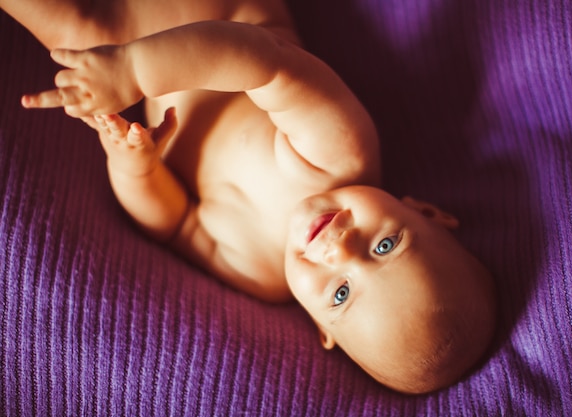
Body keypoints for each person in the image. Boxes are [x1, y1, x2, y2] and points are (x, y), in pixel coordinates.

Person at [1, 0, 496, 394]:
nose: (338, 250)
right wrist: (133, 70)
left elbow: (175, 225)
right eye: (384, 246)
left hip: (122, 45)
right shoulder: (342, 154)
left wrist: (135, 166)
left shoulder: (261, 273)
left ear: (325, 331)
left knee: (65, 30)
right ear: (423, 210)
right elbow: (265, 62)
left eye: (341, 294)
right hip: (207, 14)